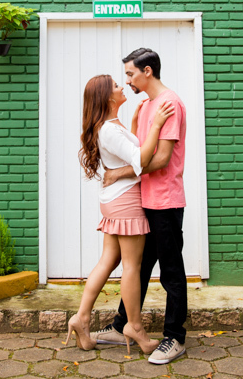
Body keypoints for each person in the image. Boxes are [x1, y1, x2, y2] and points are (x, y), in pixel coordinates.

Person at [65, 74, 175, 354]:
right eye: (115, 85)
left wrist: (137, 125)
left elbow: (130, 152)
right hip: (126, 201)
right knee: (132, 267)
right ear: (107, 98)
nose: (121, 86)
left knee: (108, 261)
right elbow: (141, 159)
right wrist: (157, 125)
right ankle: (134, 327)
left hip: (114, 200)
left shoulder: (110, 126)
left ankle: (82, 318)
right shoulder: (109, 130)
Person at [93, 48, 188, 365]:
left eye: (131, 74)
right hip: (145, 200)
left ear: (147, 72)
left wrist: (118, 172)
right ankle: (122, 327)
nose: (127, 80)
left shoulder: (168, 104)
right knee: (140, 268)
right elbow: (139, 150)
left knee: (171, 272)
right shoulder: (147, 105)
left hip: (165, 201)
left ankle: (174, 337)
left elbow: (160, 159)